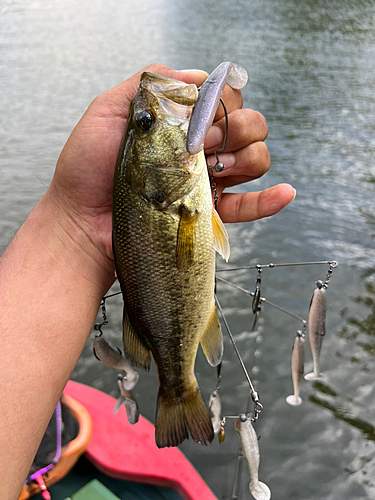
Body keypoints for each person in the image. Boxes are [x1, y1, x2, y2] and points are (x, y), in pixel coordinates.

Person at [0, 64, 295, 499]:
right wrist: (73, 224)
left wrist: (72, 228)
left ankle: (177, 389)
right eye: (146, 123)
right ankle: (178, 390)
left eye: (144, 122)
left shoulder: (169, 186)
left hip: (169, 255)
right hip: (173, 268)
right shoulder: (164, 187)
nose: (149, 106)